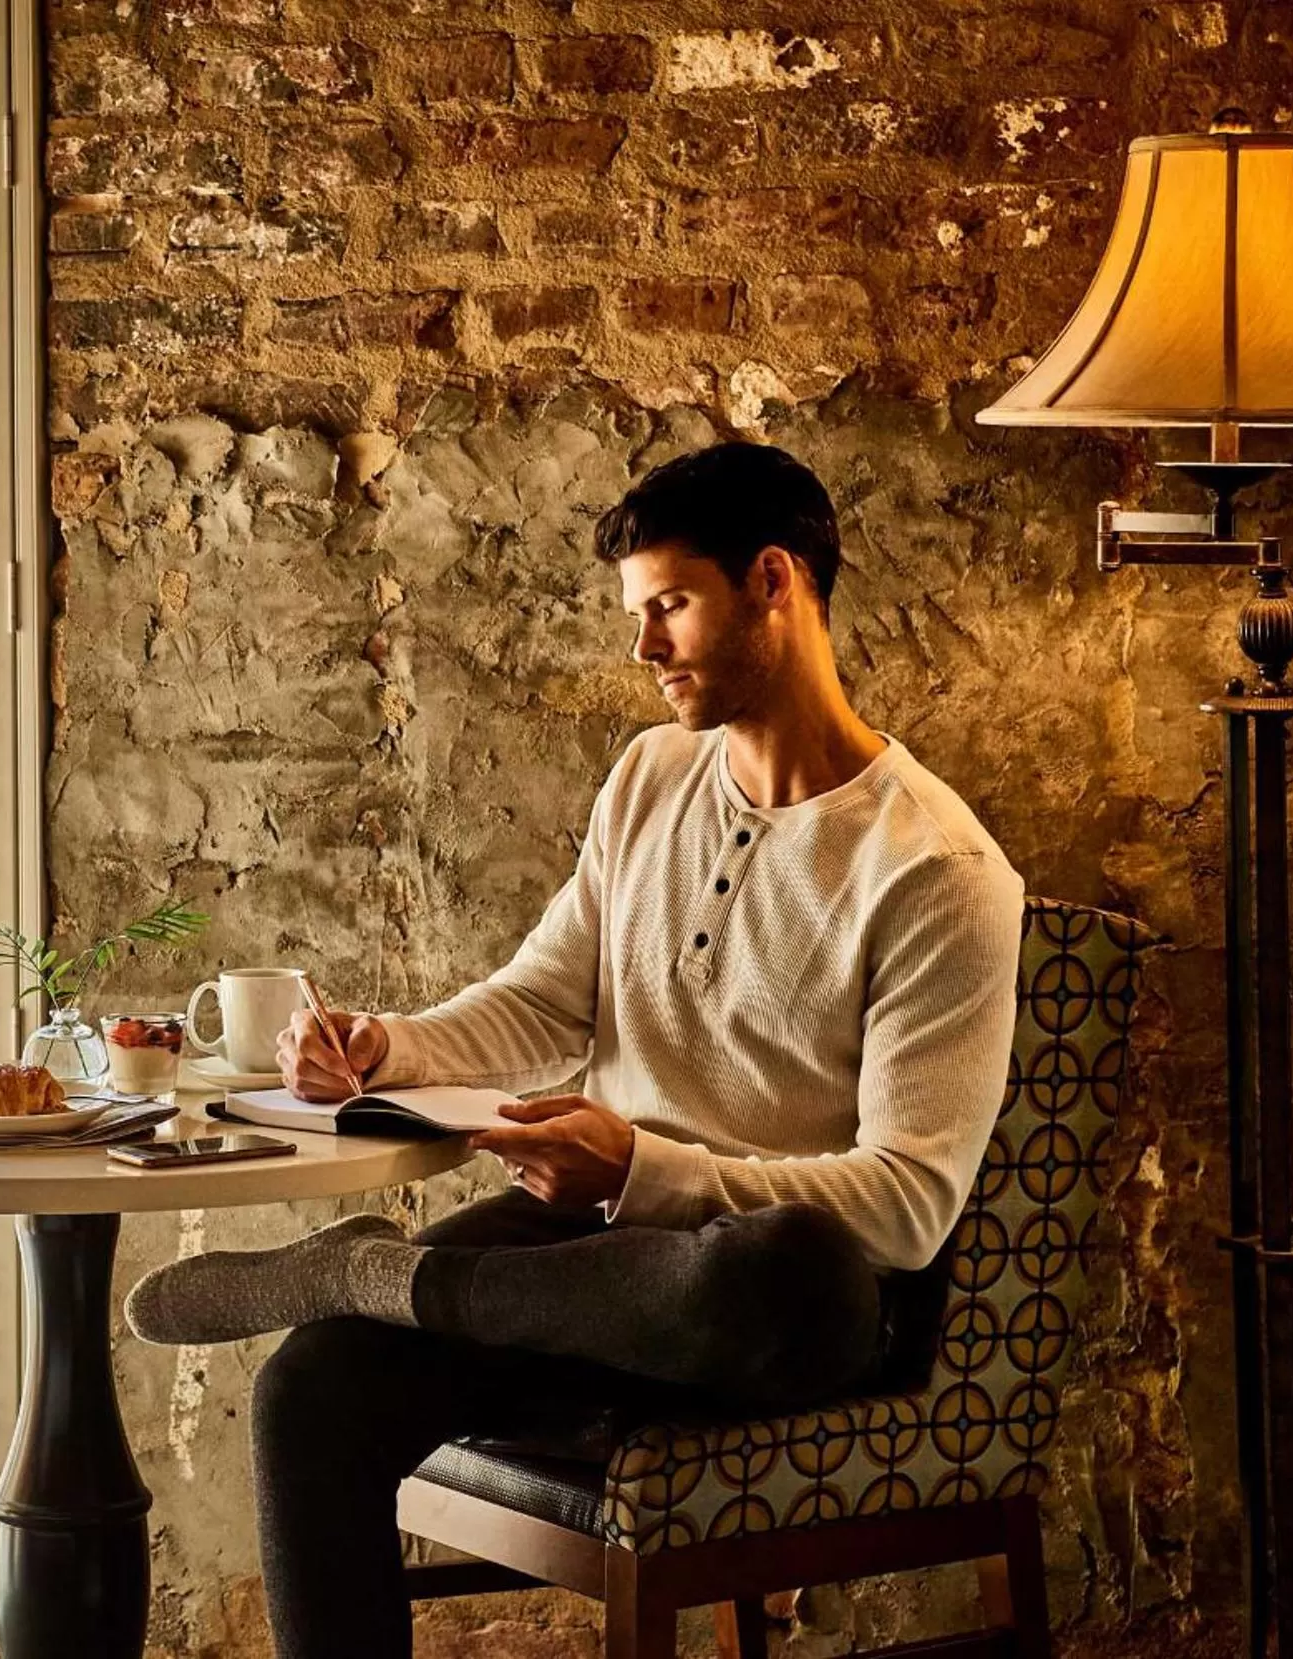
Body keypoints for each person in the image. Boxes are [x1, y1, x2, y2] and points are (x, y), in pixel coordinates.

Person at [123, 440, 1028, 1659]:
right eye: (636, 615)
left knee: (793, 1268)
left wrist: (641, 1172)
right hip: (585, 1266)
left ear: (774, 583)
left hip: (760, 1301)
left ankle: (379, 1270)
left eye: (668, 608)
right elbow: (549, 999)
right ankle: (374, 1282)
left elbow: (907, 1207)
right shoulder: (649, 777)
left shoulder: (936, 871)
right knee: (312, 1389)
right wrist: (383, 1048)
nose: (643, 648)